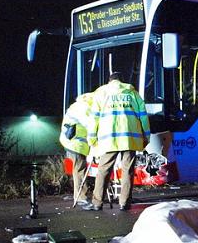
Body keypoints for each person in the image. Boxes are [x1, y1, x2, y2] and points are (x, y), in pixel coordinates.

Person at [81, 72, 150, 211]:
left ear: (109, 81)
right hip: (129, 139)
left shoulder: (101, 93)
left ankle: (97, 203)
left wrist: (92, 138)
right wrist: (146, 136)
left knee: (103, 170)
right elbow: (143, 117)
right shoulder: (132, 93)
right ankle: (124, 203)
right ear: (122, 81)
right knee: (127, 171)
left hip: (109, 139)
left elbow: (94, 118)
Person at [59, 92, 94, 206]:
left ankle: (77, 194)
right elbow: (90, 125)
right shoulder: (84, 109)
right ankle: (80, 197)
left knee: (76, 170)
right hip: (76, 144)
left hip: (70, 143)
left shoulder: (76, 106)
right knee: (79, 170)